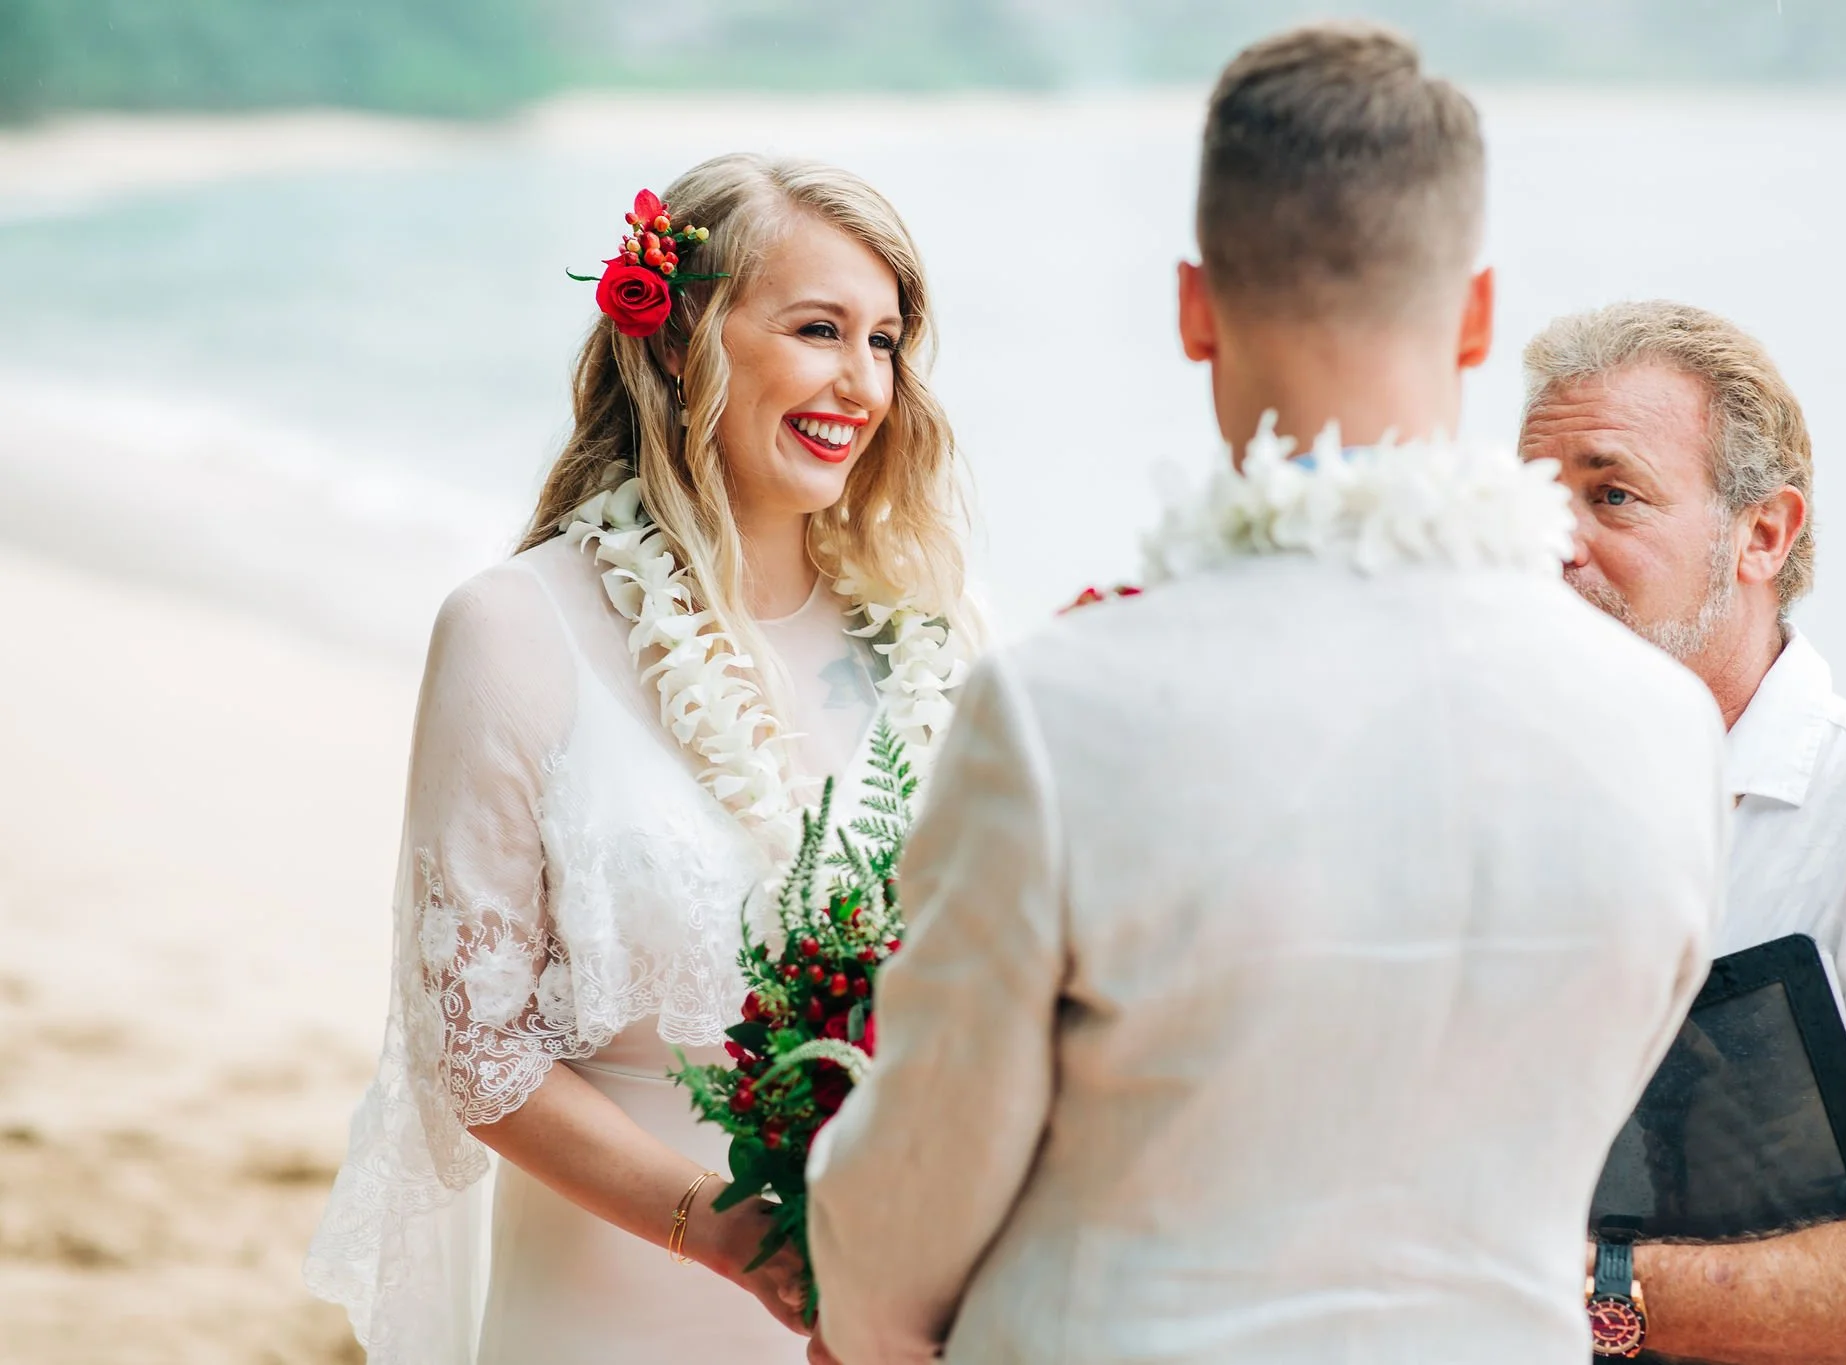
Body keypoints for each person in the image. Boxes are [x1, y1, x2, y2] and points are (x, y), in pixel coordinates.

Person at [804, 24, 1728, 1365]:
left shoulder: (1061, 715)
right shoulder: (1662, 729)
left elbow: (894, 1243)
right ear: (1476, 312)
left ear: (1194, 304)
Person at [304, 153, 976, 1364]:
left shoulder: (921, 643)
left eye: (883, 341)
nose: (860, 384)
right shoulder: (516, 630)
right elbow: (476, 1046)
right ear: (677, 342)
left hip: (894, 1301)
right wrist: (730, 1238)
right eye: (818, 329)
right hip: (614, 1309)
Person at [1520, 299, 1846, 1363]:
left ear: (1761, 533)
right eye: (1534, 502)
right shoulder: (1489, 804)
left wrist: (1585, 1292)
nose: (1555, 548)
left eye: (1610, 495)